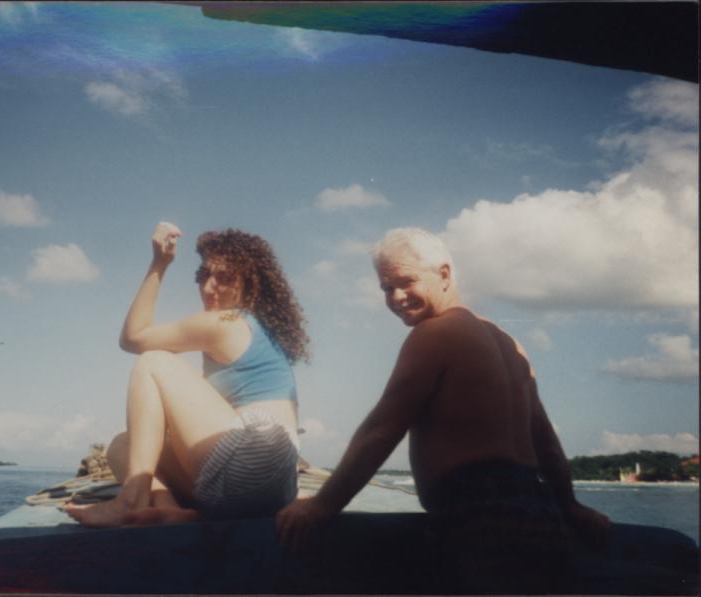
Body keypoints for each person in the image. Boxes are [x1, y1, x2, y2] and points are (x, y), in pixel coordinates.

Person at [275, 227, 611, 592]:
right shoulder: (511, 345)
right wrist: (569, 506)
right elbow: (545, 441)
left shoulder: (434, 333)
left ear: (445, 274)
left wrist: (323, 506)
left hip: (478, 517)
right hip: (539, 513)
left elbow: (382, 429)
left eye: (406, 282)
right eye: (386, 288)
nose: (396, 297)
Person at [66, 222, 309, 527]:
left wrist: (160, 263)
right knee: (122, 447)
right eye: (204, 275)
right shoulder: (261, 333)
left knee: (153, 360)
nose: (208, 288)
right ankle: (168, 508)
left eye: (224, 278)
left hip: (252, 461)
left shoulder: (227, 323)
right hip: (275, 489)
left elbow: (132, 337)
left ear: (250, 284)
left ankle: (130, 500)